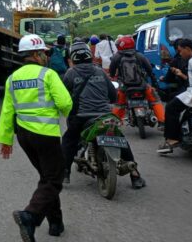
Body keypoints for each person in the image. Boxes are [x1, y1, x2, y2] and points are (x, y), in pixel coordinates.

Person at [0, 35, 73, 241]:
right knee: (55, 179)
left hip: (24, 137)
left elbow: (7, 112)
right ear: (37, 54)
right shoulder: (47, 74)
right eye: (45, 53)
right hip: (45, 135)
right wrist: (66, 113)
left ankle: (56, 224)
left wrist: (6, 140)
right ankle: (30, 215)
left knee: (46, 177)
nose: (47, 57)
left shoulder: (12, 79)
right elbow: (65, 102)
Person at [61, 40, 146, 189]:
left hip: (82, 117)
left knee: (69, 140)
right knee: (120, 138)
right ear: (89, 55)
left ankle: (64, 172)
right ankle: (135, 175)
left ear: (73, 57)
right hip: (105, 116)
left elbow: (64, 96)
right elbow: (113, 96)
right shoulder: (100, 71)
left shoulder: (70, 73)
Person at [109, 35, 165, 125]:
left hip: (125, 86)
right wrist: (153, 80)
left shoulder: (117, 56)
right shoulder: (139, 55)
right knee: (155, 100)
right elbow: (149, 69)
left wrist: (112, 76)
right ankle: (162, 122)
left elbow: (112, 71)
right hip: (142, 85)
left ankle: (113, 125)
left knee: (119, 104)